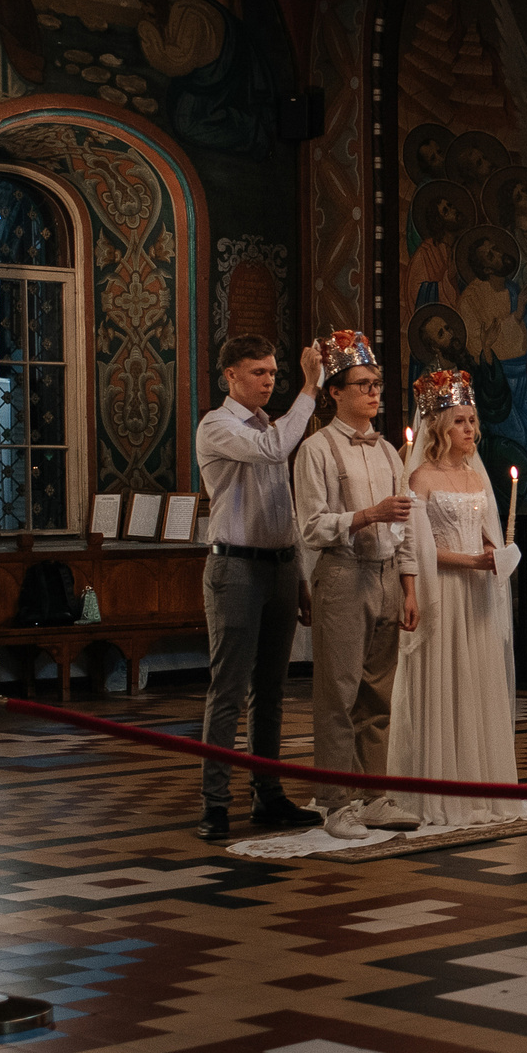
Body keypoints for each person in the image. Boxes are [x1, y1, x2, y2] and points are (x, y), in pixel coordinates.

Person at [381, 371, 527, 830]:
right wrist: (471, 563)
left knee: (475, 678)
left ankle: (478, 782)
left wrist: (494, 552)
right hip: (444, 592)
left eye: (473, 421)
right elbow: (419, 546)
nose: (470, 429)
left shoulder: (477, 478)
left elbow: (489, 535)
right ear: (438, 428)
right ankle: (437, 788)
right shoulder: (420, 477)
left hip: (476, 596)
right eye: (460, 422)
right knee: (443, 678)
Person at [193, 335, 327, 842]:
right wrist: (311, 387)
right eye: (258, 373)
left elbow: (283, 505)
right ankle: (215, 803)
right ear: (230, 375)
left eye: (273, 373)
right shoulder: (217, 425)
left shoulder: (271, 423)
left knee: (270, 692)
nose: (269, 382)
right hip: (236, 570)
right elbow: (274, 450)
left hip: (278, 567)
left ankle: (268, 797)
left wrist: (299, 577)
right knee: (227, 691)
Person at [294, 333, 413, 839]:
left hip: (386, 575)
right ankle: (335, 800)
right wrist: (367, 515)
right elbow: (312, 526)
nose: (374, 393)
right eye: (363, 384)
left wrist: (408, 587)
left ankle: (374, 794)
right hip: (342, 574)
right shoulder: (315, 450)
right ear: (335, 392)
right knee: (338, 693)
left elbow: (405, 523)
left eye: (377, 384)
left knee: (378, 694)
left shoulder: (388, 450)